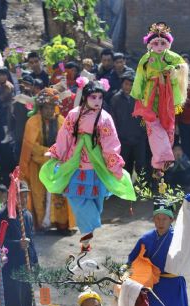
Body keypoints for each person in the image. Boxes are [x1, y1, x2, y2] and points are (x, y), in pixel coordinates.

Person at [39, 78, 136, 251]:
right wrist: (57, 153)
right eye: (93, 97)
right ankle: (86, 233)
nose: (97, 101)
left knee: (96, 202)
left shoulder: (105, 118)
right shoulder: (73, 115)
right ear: (85, 97)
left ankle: (87, 234)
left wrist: (114, 166)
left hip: (97, 165)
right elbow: (65, 137)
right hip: (75, 164)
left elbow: (110, 144)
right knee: (77, 199)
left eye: (100, 98)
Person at [130, 22, 188, 175]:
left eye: (163, 43)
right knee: (153, 128)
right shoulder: (145, 59)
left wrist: (173, 72)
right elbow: (139, 77)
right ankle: (161, 160)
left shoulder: (173, 58)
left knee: (168, 126)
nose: (160, 46)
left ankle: (161, 162)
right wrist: (137, 96)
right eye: (156, 43)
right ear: (150, 44)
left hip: (167, 97)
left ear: (168, 44)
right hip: (150, 97)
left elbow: (183, 71)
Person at [20, 88, 74, 232]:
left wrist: (57, 155)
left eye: (52, 107)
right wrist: (49, 154)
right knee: (39, 194)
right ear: (41, 108)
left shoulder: (62, 121)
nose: (50, 110)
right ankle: (41, 224)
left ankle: (61, 223)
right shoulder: (32, 122)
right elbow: (31, 147)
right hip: (37, 166)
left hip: (57, 165)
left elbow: (67, 143)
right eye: (47, 107)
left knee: (59, 195)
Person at [110, 71, 147, 176]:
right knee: (125, 166)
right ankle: (126, 190)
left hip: (139, 138)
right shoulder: (115, 99)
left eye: (131, 84)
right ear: (122, 84)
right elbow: (113, 120)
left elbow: (146, 117)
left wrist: (142, 131)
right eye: (126, 84)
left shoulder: (140, 98)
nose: (128, 87)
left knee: (141, 166)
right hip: (123, 139)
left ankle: (141, 190)